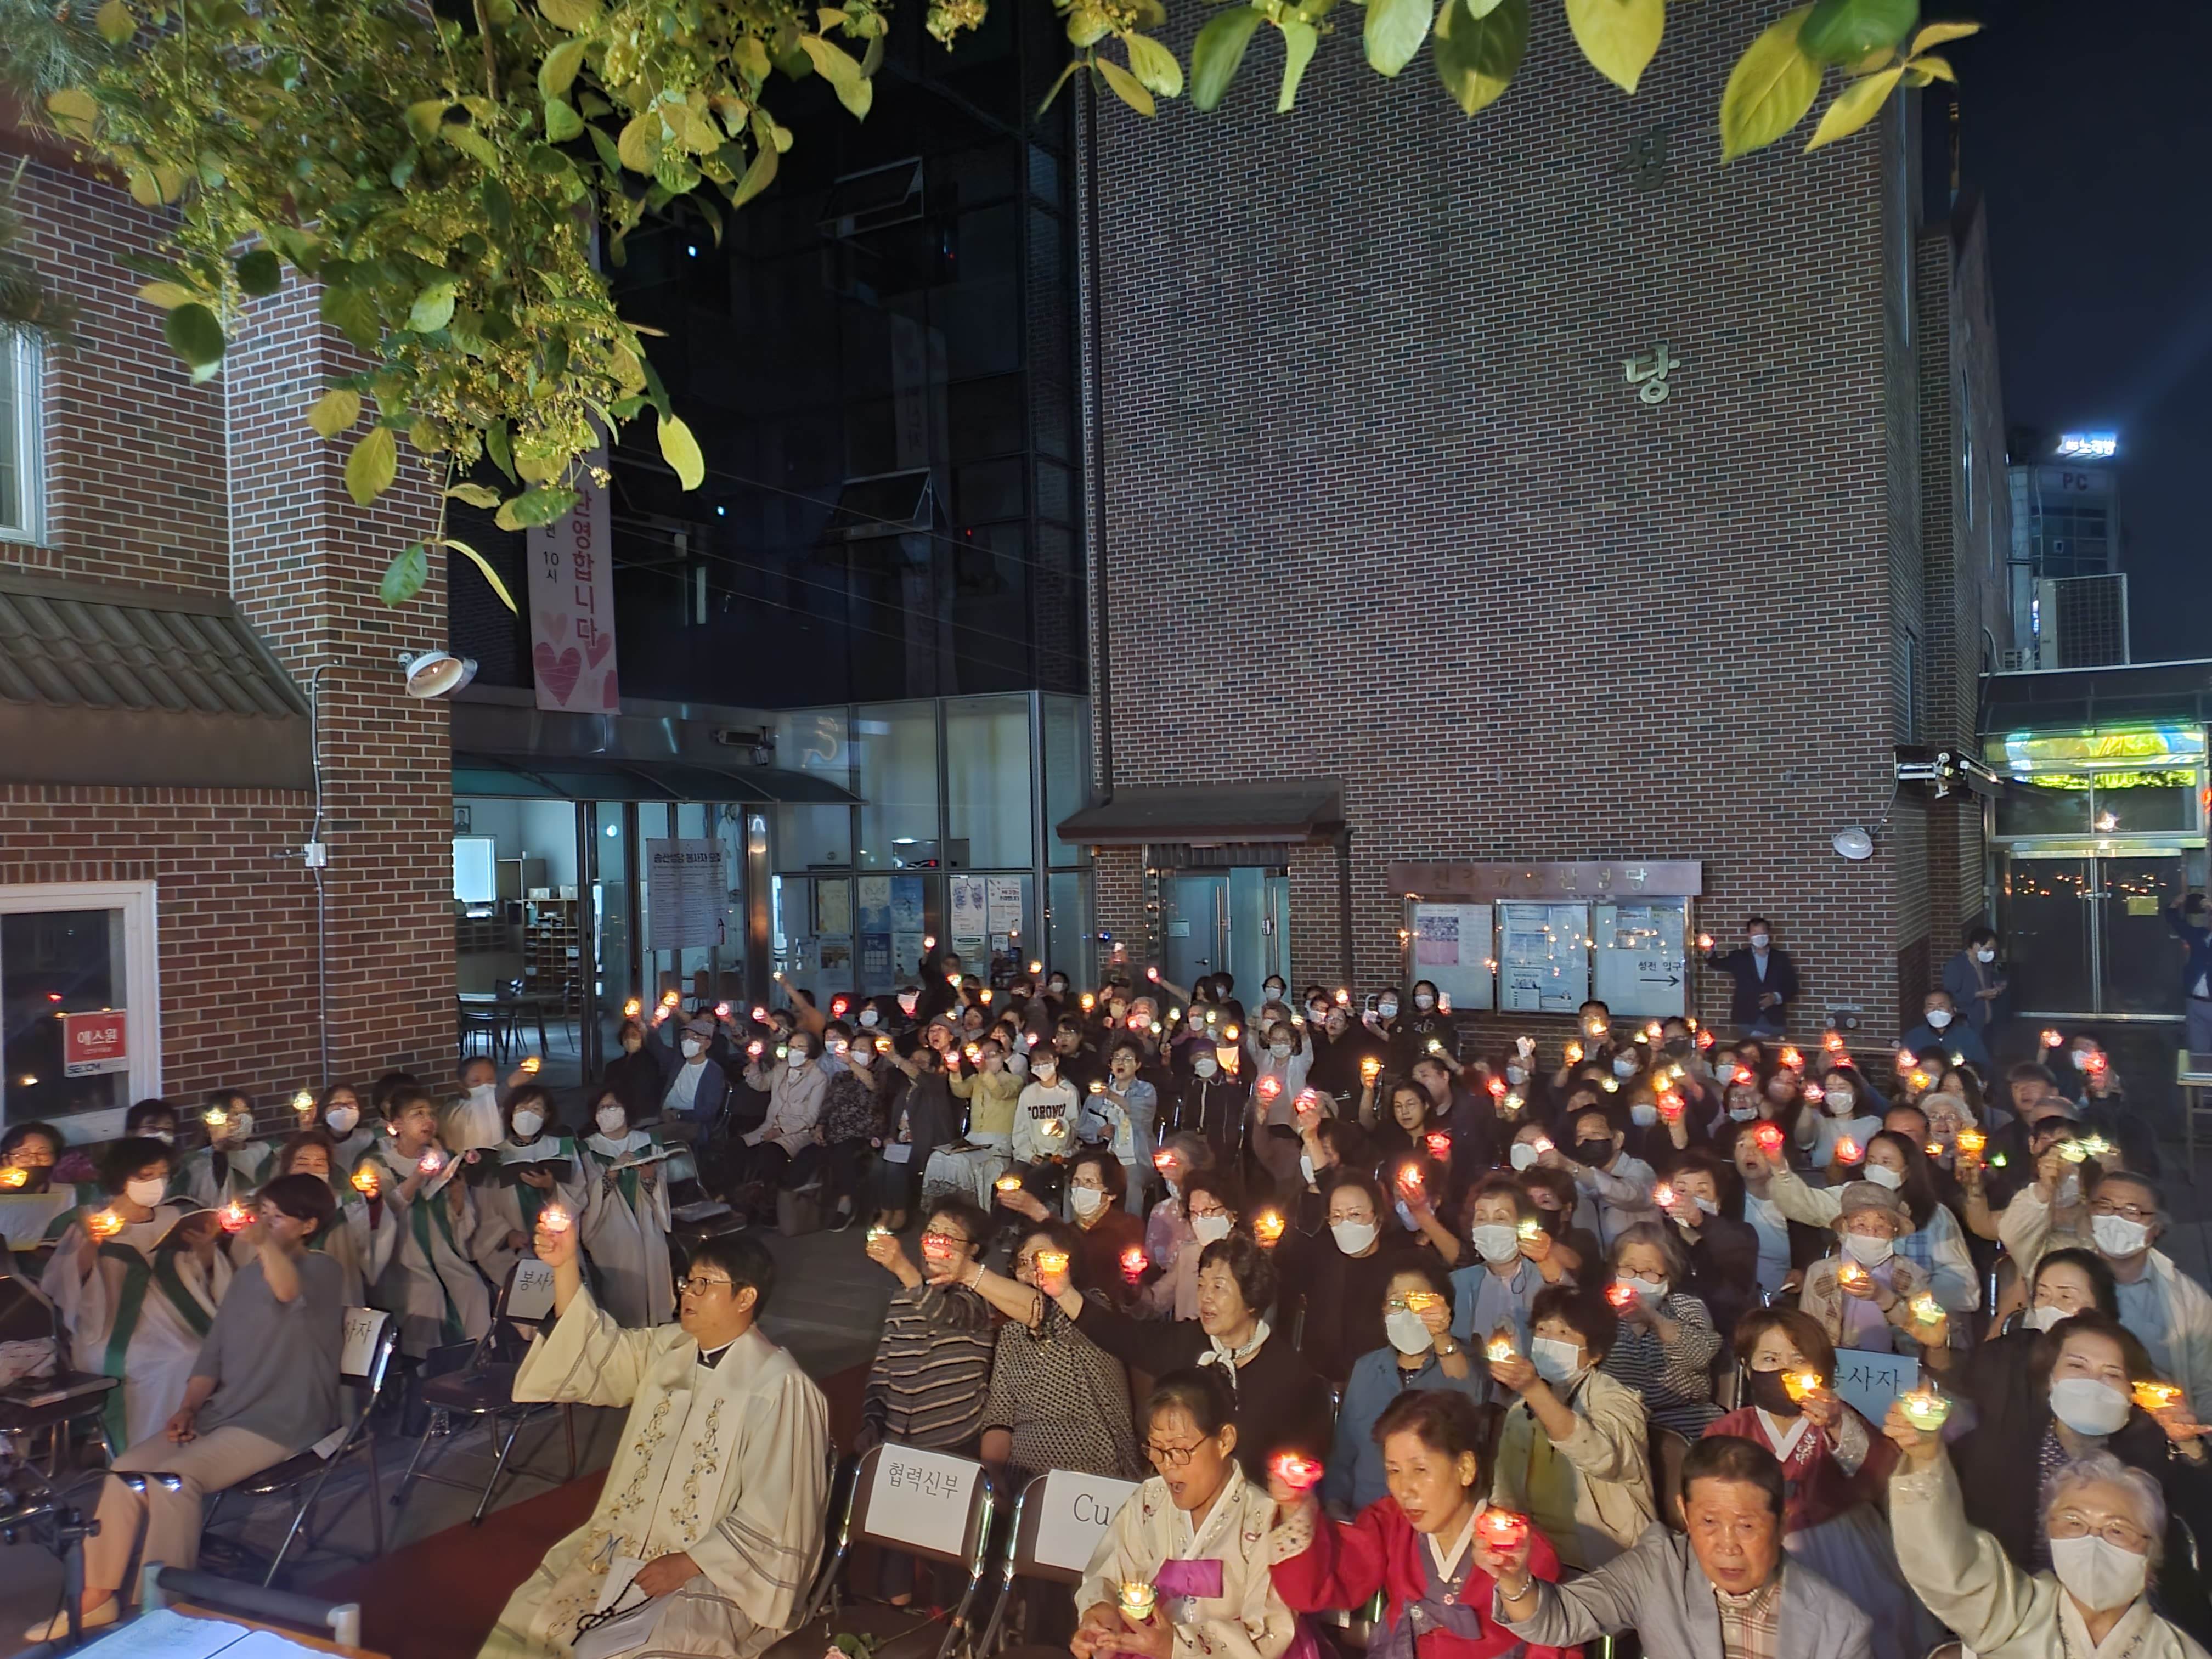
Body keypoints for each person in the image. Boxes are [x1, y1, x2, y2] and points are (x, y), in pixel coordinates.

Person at [479, 1220, 831, 1659]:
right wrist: (565, 1266)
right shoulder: (670, 1349)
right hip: (620, 1547)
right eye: (688, 1282)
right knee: (529, 1617)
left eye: (704, 1285)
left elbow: (778, 1506)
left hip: (711, 1570)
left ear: (745, 1298)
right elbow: (596, 1352)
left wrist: (689, 1563)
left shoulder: (779, 1386)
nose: (688, 1294)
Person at [33, 1175, 343, 1639]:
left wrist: (263, 1243)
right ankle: (95, 1597)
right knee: (126, 1470)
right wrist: (188, 1407)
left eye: (278, 1217)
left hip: (284, 1415)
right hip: (227, 1409)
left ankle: (163, 1609)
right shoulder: (247, 1277)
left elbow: (287, 1292)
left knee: (173, 1480)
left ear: (309, 1225)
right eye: (262, 1214)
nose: (264, 1223)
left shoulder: (322, 1269)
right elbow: (213, 1352)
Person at [1480, 1432, 1872, 1659]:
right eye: (1709, 1523)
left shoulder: (1838, 1625)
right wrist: (1514, 1579)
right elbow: (1559, 1619)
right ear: (1684, 1512)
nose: (1727, 1546)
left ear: (1782, 1521)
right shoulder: (1660, 1568)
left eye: (1747, 1526)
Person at [1886, 1401, 2208, 1659]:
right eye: (2074, 1523)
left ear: (2152, 1551)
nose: (2092, 1541)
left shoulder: (2179, 1652)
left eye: (2117, 1530)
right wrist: (1926, 1459)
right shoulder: (2013, 1613)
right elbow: (1945, 1563)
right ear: (2049, 1534)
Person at [1273, 1389, 1573, 1659]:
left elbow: (1551, 1644)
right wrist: (1295, 1508)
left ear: (1465, 1468)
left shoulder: (1518, 1547)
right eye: (1394, 1471)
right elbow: (1320, 1585)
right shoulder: (1391, 1523)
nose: (1405, 1490)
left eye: (1420, 1470)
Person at [1705, 1308, 1934, 1658]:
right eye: (1770, 1359)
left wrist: (1837, 1425)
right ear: (1748, 1368)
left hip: (1841, 1542)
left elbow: (1880, 1470)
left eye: (1799, 1359)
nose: (1785, 1369)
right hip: (1751, 1546)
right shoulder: (1730, 1429)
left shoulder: (1836, 1415)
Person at [1045, 1233, 1331, 1481]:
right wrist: (1064, 1293)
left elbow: (1302, 1464)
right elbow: (1121, 1335)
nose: (1205, 1298)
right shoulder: (1186, 1342)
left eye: (1218, 1287)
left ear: (1252, 1299)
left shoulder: (1290, 1376)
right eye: (1201, 1285)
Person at [1071, 1369, 1300, 1659]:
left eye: (1180, 1450)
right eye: (1157, 1450)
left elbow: (1270, 1631)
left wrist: (1177, 1647)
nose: (1167, 1466)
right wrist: (1101, 1613)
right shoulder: (1150, 1502)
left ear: (1225, 1440)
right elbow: (1110, 1575)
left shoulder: (1263, 1517)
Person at [42, 1136, 225, 1453]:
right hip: (116, 1325)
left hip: (180, 1316)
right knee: (179, 1359)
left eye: (162, 1174)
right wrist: (92, 1245)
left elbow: (207, 1275)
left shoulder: (174, 1218)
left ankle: (207, 1447)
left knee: (214, 1352)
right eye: (146, 1175)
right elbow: (63, 1284)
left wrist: (206, 1251)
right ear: (121, 1177)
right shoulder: (90, 1221)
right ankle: (150, 1450)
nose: (156, 1183)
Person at [857, 1198, 996, 1605]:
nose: (936, 1242)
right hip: (899, 1446)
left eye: (949, 1237)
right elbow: (883, 1367)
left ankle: (957, 1625)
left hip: (954, 1443)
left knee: (951, 1559)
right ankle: (891, 1617)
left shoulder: (977, 1298)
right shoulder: (903, 1297)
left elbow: (945, 1314)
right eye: (932, 1232)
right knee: (893, 1554)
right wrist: (871, 1422)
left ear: (973, 1251)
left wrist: (904, 1269)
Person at [2010, 1170, 2212, 1419]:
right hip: (2057, 1414)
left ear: (2156, 1227)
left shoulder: (2189, 1301)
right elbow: (2014, 1235)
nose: (2116, 1219)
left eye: (2132, 1211)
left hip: (2152, 1424)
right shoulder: (2062, 1271)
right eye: (2105, 1207)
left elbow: (2205, 1386)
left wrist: (2193, 1435)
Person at [1487, 1285, 1654, 1569]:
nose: (1550, 1340)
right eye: (1543, 1330)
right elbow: (1505, 1493)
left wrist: (1533, 1389)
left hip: (1607, 1560)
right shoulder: (1521, 1411)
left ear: (1595, 1354)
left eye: (1565, 1333)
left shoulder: (1616, 1399)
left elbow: (1603, 1457)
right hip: (1536, 1554)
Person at [972, 1224, 1142, 1482]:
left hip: (1095, 1474)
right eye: (1022, 1263)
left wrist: (969, 1274)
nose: (1031, 1271)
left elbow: (1046, 1315)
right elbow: (1000, 1416)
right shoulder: (1012, 1332)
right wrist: (993, 1480)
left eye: (1041, 1258)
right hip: (1025, 1479)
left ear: (1069, 1263)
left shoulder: (1092, 1308)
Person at [1324, 1262, 1481, 1514]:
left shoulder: (1461, 1362)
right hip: (1367, 1517)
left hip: (1434, 1520)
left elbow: (1470, 1393)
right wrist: (1336, 1510)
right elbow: (1343, 1455)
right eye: (1396, 1303)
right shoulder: (1366, 1369)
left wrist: (1442, 1337)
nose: (1407, 1312)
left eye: (1418, 1302)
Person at [358, 1088, 493, 1359]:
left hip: (442, 1252)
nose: (428, 1120)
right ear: (397, 1125)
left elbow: (458, 1219)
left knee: (473, 1288)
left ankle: (477, 1360)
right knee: (427, 1294)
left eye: (431, 1114)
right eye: (418, 1114)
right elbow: (382, 1214)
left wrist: (457, 1197)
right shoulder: (377, 1163)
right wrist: (418, 1176)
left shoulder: (445, 1159)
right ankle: (426, 1365)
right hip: (400, 1257)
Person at [1599, 1221, 1720, 1434]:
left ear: (1668, 1275)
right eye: (1628, 1269)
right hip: (1620, 1419)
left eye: (1650, 1272)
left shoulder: (1686, 1307)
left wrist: (1654, 1319)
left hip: (1683, 1418)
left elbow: (1700, 1356)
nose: (1637, 1278)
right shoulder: (1602, 1313)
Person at [1447, 1177, 1568, 1384]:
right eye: (1481, 1218)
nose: (1489, 1227)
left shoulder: (1545, 1278)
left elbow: (1574, 1313)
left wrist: (1548, 1262)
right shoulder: (1458, 1283)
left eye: (1501, 1218)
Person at [1796, 1182, 1938, 1358]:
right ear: (1846, 1227)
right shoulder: (1821, 1273)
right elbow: (1808, 1334)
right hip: (1835, 1365)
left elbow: (1930, 1335)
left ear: (1894, 1231)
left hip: (1894, 1368)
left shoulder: (1912, 1276)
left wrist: (1884, 1298)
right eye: (1861, 1225)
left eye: (1881, 1226)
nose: (1871, 1233)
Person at [578, 1089, 675, 1329]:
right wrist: (612, 1172)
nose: (606, 1112)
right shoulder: (587, 1149)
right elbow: (587, 1194)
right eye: (601, 1108)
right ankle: (628, 1325)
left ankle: (656, 1324)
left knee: (654, 1244)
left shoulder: (648, 1142)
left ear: (626, 1110)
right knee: (627, 1245)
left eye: (612, 1106)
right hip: (606, 1220)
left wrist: (649, 1177)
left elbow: (660, 1186)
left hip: (647, 1215)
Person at [473, 1085, 586, 1290]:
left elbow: (579, 1193)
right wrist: (507, 1234)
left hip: (557, 1240)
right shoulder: (495, 1156)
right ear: (511, 1113)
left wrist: (551, 1187)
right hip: (517, 1246)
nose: (528, 1115)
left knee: (566, 1293)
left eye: (536, 1109)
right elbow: (483, 1206)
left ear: (547, 1115)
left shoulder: (562, 1148)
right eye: (522, 1109)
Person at [1148, 1172, 1240, 1322]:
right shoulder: (1188, 1254)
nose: (1200, 1219)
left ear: (1232, 1213)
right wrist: (1134, 1291)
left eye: (1208, 1210)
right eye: (1194, 1212)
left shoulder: (1246, 1256)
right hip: (1188, 1334)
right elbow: (1158, 1299)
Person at [1084, 1041, 1159, 1215]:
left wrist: (1111, 1096)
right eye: (1116, 1058)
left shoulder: (1146, 1090)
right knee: (1080, 1177)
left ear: (1138, 1065)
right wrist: (1100, 1132)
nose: (1120, 1062)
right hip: (1109, 1157)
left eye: (1127, 1058)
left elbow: (1140, 1115)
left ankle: (1132, 1226)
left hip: (1138, 1158)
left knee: (1132, 1180)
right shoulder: (1098, 1094)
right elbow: (1083, 1127)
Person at [1706, 918, 1801, 1039]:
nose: (1759, 937)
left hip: (1774, 1020)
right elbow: (1716, 964)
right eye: (1755, 934)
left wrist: (1776, 997)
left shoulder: (1781, 958)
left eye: (1762, 933)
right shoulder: (1739, 957)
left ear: (1769, 934)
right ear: (1749, 935)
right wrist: (1709, 949)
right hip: (1746, 1020)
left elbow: (1793, 986)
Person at [178, 1090, 271, 1208]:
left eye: (246, 1113)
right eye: (235, 1114)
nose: (241, 1120)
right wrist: (219, 1149)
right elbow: (211, 1200)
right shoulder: (198, 1161)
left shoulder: (269, 1151)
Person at [1942, 925, 2008, 1044]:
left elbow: (1991, 980)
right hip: (1968, 1023)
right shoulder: (1956, 966)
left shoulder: (1984, 964)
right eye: (1988, 949)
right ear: (1977, 945)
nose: (1991, 953)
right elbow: (1951, 997)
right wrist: (1978, 995)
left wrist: (1998, 987)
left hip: (1986, 1022)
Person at [1899, 989, 1991, 1073]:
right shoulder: (1914, 1037)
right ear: (1925, 1011)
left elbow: (1982, 1067)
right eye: (1931, 1006)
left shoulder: (1969, 1037)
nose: (1936, 1010)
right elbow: (1904, 1066)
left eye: (1941, 1006)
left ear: (1953, 1010)